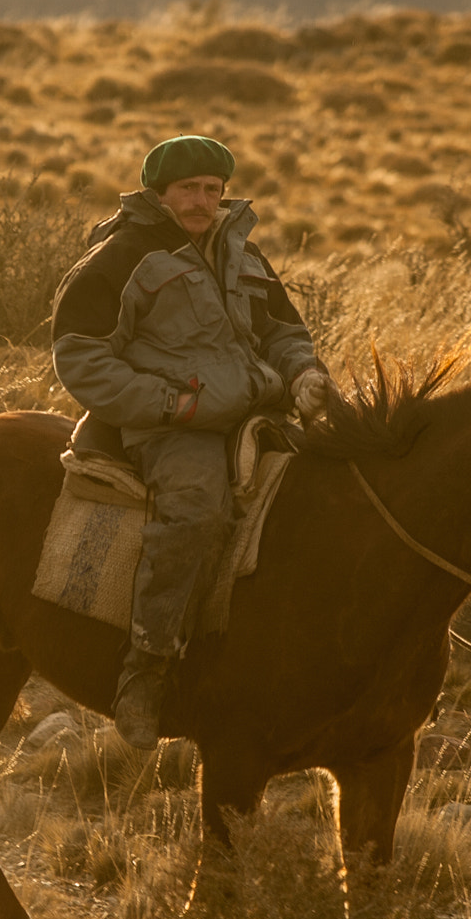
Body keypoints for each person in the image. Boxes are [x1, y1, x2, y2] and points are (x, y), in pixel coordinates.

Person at [52, 135, 331, 749]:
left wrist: (305, 376)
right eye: (188, 190)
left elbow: (284, 331)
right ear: (159, 193)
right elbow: (78, 354)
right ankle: (146, 668)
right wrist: (166, 405)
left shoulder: (244, 254)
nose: (202, 201)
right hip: (176, 427)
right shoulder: (123, 256)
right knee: (197, 509)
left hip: (258, 411)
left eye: (212, 189)